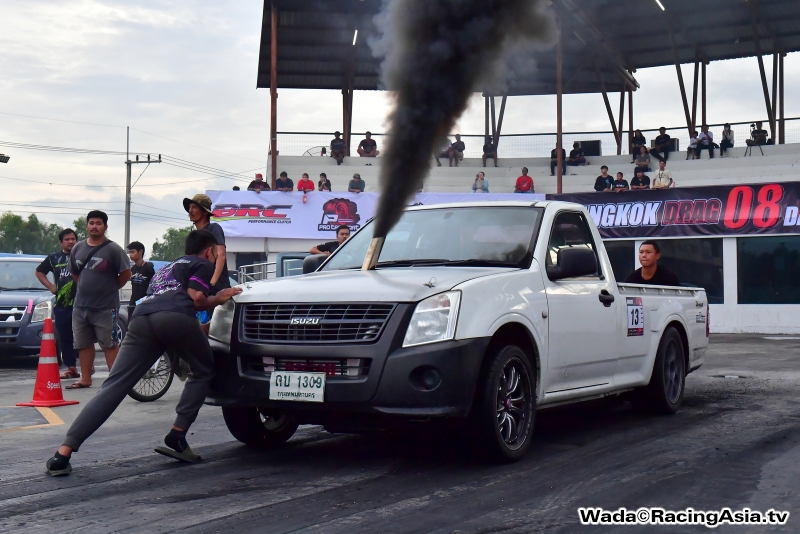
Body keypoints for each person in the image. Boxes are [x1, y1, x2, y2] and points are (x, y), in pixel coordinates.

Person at [45, 231, 243, 476]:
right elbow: (196, 300)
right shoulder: (201, 263)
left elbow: (163, 299)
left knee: (115, 384)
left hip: (142, 319)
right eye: (215, 254)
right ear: (210, 251)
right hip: (174, 318)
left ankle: (63, 452)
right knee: (203, 368)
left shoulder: (167, 268)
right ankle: (178, 435)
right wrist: (219, 297)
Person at [66, 211, 132, 389]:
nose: (94, 226)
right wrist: (85, 287)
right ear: (86, 226)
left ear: (105, 227)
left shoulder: (113, 249)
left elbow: (126, 273)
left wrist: (109, 288)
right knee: (83, 343)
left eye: (99, 223)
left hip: (106, 307)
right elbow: (74, 272)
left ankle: (116, 381)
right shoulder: (78, 248)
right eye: (92, 223)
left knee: (109, 344)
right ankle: (85, 378)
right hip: (81, 307)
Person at [35, 228, 79, 379]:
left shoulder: (82, 256)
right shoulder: (54, 258)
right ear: (61, 242)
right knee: (66, 337)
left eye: (73, 239)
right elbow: (39, 272)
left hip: (81, 303)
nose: (70, 242)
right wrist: (50, 287)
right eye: (67, 239)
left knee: (84, 336)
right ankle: (71, 367)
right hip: (62, 304)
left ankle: (88, 365)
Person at [183, 194, 230, 298]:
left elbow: (221, 255)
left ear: (204, 211)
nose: (190, 211)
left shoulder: (214, 228)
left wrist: (213, 281)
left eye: (194, 207)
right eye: (189, 207)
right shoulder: (194, 236)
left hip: (217, 290)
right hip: (201, 292)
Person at [127, 241, 155, 312]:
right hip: (133, 303)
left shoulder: (148, 268)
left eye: (133, 252)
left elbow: (154, 285)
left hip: (145, 303)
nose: (130, 255)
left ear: (140, 252)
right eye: (130, 252)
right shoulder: (133, 269)